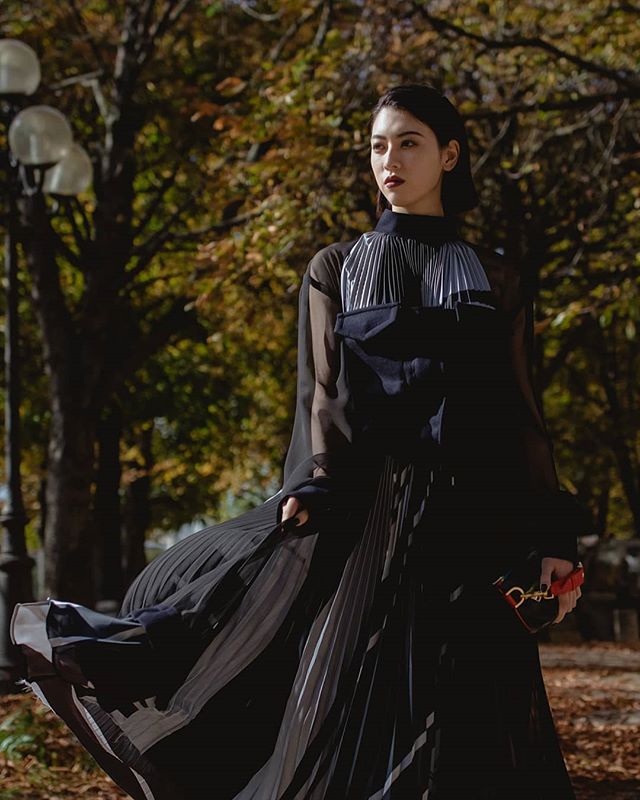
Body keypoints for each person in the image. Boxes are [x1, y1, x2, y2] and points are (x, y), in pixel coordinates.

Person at [11, 83, 588, 799]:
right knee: (326, 696)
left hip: (467, 525)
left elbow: (520, 419)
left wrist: (553, 535)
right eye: (378, 145)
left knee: (469, 714)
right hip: (363, 515)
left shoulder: (497, 279)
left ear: (450, 154)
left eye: (408, 142)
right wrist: (311, 483)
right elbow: (319, 396)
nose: (390, 160)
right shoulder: (334, 268)